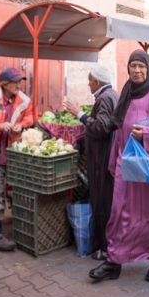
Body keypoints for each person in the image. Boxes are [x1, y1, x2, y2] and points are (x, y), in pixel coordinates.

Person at [89, 50, 149, 283]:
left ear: (148, 69)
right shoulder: (126, 92)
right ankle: (114, 260)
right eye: (133, 66)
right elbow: (119, 127)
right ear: (128, 69)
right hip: (127, 160)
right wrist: (115, 158)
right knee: (121, 211)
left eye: (141, 66)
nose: (137, 70)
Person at [64, 65, 118, 261]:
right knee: (106, 202)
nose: (88, 84)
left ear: (97, 81)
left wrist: (79, 114)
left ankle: (105, 248)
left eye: (89, 80)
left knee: (103, 203)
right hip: (106, 156)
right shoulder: (112, 95)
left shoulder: (105, 98)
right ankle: (107, 244)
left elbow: (101, 128)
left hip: (102, 159)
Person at [0, 67, 34, 251]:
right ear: (4, 84)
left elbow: (31, 117)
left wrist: (21, 125)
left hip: (5, 153)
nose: (19, 85)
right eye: (15, 82)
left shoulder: (24, 99)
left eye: (20, 81)